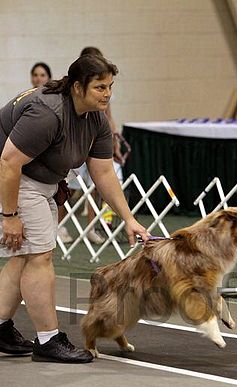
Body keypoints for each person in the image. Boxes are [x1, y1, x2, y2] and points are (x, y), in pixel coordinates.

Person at [0, 54, 148, 363]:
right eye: (99, 87)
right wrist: (10, 216)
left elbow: (104, 173)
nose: (107, 94)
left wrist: (129, 219)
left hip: (37, 178)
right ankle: (48, 339)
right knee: (40, 255)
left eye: (110, 87)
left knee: (24, 256)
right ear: (78, 87)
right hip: (12, 175)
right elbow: (9, 162)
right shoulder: (47, 113)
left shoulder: (96, 118)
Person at [58, 46, 124, 245]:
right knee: (64, 187)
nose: (106, 92)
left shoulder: (103, 97)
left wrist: (115, 143)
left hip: (97, 144)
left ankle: (91, 228)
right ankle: (58, 226)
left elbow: (109, 117)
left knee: (95, 189)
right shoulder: (70, 99)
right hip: (77, 145)